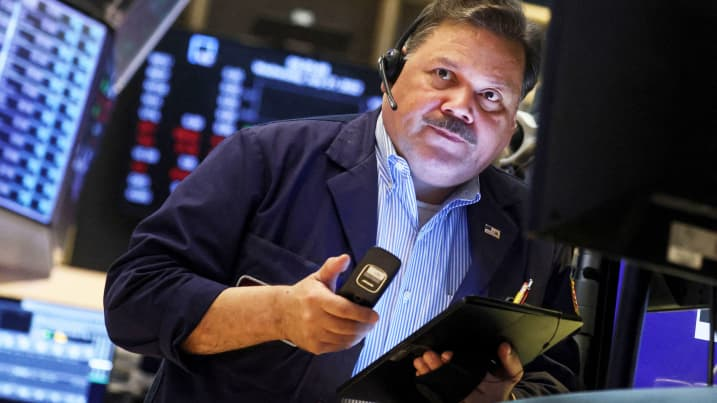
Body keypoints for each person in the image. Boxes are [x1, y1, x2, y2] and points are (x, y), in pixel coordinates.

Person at [103, 0, 579, 402]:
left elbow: (557, 380)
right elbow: (134, 299)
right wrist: (276, 314)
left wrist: (504, 398)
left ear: (512, 121)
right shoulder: (268, 157)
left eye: (491, 96)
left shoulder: (536, 231)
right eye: (442, 74)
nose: (460, 107)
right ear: (392, 72)